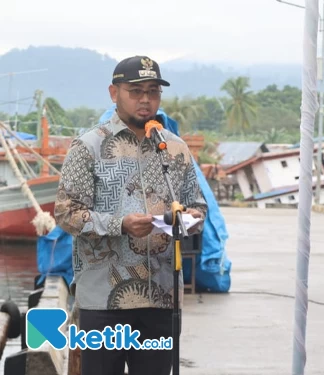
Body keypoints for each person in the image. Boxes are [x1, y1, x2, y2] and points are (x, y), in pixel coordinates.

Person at [54, 55, 208, 375]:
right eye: (135, 91)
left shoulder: (175, 149)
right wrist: (119, 224)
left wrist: (188, 218)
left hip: (161, 298)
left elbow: (199, 207)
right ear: (114, 93)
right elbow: (66, 213)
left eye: (153, 91)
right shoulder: (88, 147)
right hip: (103, 299)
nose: (145, 100)